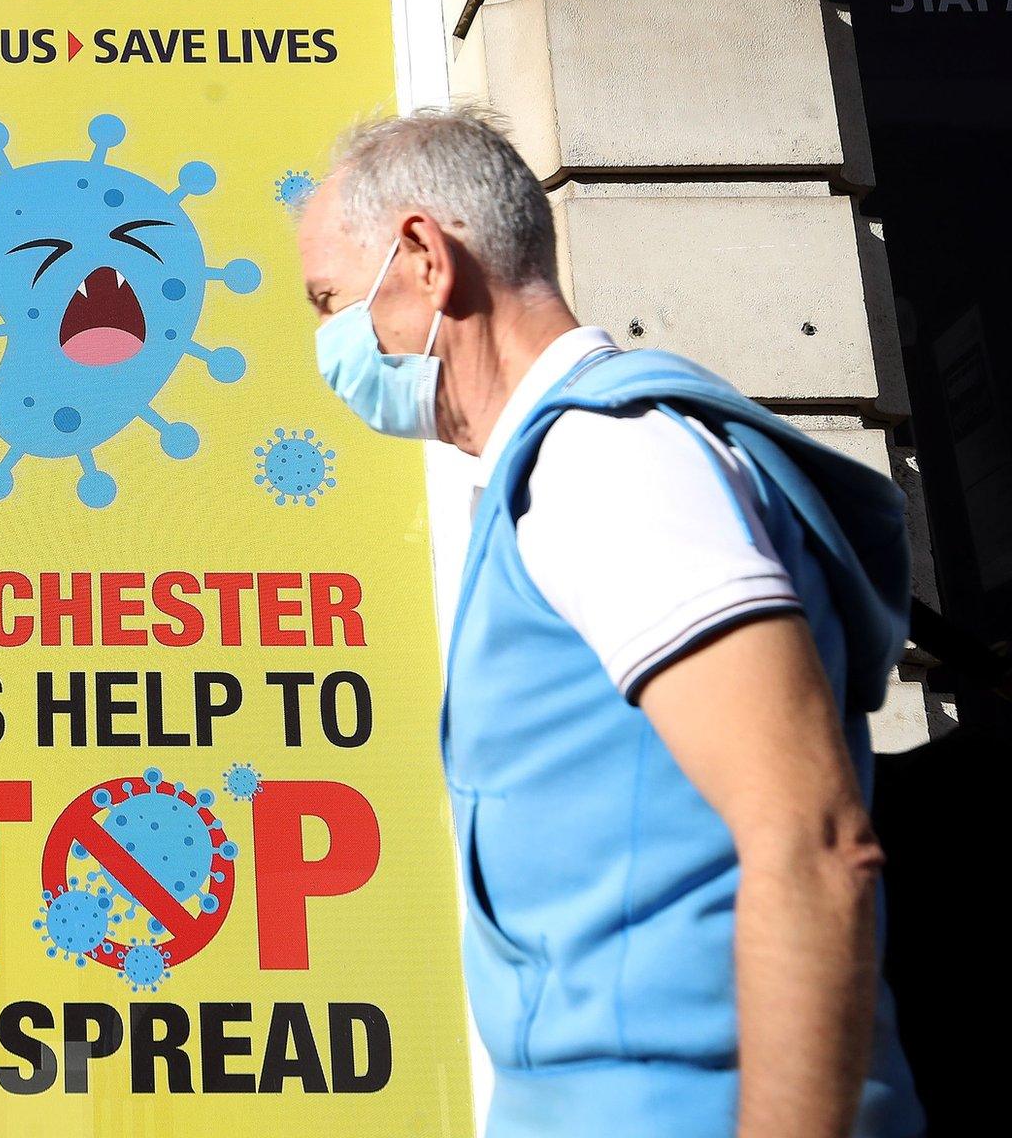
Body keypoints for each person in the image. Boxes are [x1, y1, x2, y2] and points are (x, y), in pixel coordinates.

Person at [297, 108, 924, 1137]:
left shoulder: (609, 467)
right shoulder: (557, 475)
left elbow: (809, 843)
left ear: (421, 256)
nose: (329, 346)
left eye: (329, 302)